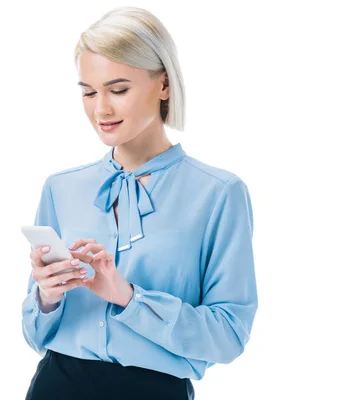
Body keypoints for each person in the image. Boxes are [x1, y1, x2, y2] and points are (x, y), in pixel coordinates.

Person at [21, 6, 257, 400]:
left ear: (164, 84)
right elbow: (34, 336)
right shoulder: (61, 188)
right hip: (56, 384)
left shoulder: (217, 193)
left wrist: (128, 296)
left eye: (118, 89)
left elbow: (229, 335)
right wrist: (48, 296)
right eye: (88, 92)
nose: (101, 109)